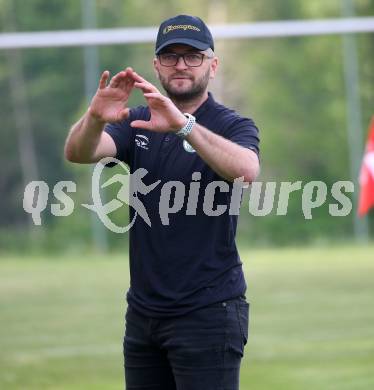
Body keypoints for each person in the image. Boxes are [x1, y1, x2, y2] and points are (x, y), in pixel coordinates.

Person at [64, 14, 260, 390]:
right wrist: (93, 118)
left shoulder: (232, 124)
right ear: (156, 66)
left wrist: (183, 125)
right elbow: (79, 151)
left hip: (208, 311)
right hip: (143, 315)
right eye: (170, 56)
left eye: (193, 56)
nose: (181, 65)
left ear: (213, 65)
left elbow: (246, 172)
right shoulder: (138, 120)